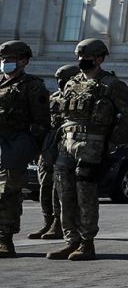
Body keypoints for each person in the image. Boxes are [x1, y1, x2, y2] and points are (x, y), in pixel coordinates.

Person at [47, 38, 128, 262]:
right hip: (66, 144)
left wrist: (113, 142)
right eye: (80, 56)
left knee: (85, 194)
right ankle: (71, 240)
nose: (82, 61)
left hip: (92, 145)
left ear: (99, 58)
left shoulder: (111, 85)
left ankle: (87, 243)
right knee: (64, 194)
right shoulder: (71, 83)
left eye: (87, 57)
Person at [0, 40, 51, 259]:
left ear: (23, 61)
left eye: (9, 59)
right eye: (3, 59)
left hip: (14, 146)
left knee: (7, 194)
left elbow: (41, 122)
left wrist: (28, 148)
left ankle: (5, 239)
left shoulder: (32, 86)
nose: (5, 63)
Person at [28, 64, 75, 242]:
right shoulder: (53, 98)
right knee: (45, 186)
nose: (60, 83)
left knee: (59, 189)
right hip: (48, 147)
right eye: (58, 80)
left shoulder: (76, 98)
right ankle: (47, 221)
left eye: (64, 80)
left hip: (65, 147)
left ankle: (59, 223)